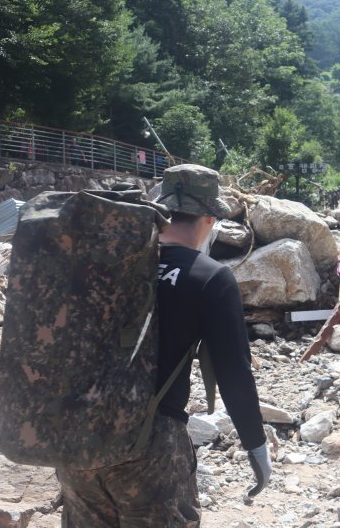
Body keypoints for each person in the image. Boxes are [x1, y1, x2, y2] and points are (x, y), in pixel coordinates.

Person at [55, 164, 272, 527]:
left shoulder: (107, 263)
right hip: (150, 448)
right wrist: (256, 444)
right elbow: (234, 372)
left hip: (76, 437)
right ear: (209, 218)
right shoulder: (209, 276)